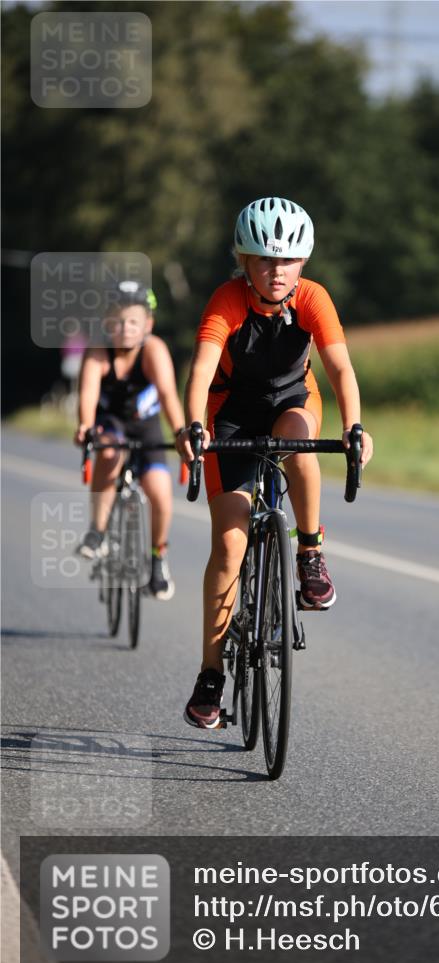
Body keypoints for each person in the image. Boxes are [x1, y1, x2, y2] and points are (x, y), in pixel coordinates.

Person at [176, 197, 373, 728]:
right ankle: (211, 674)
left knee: (294, 441)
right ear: (243, 261)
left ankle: (309, 551)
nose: (276, 270)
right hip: (232, 415)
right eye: (263, 259)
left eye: (287, 260)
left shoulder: (313, 298)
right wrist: (193, 428)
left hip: (293, 402)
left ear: (303, 262)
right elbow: (200, 372)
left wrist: (354, 427)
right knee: (230, 543)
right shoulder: (227, 299)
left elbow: (340, 369)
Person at [74, 281, 186, 600]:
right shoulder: (98, 351)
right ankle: (98, 532)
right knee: (108, 453)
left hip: (146, 427)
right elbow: (87, 395)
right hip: (110, 423)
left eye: (133, 322)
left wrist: (180, 433)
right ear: (107, 324)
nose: (125, 329)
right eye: (118, 322)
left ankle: (158, 559)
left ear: (147, 324)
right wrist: (84, 425)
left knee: (160, 492)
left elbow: (167, 396)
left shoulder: (154, 350)